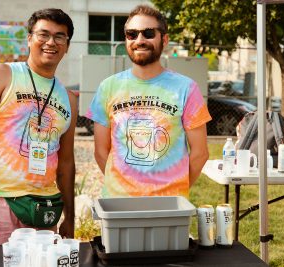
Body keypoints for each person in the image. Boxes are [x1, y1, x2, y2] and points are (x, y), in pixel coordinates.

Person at [0, 8, 77, 245]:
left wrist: (70, 216)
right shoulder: (2, 75)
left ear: (67, 45)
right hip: (0, 202)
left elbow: (66, 162)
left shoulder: (69, 98)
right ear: (29, 39)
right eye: (43, 34)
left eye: (59, 36)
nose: (50, 42)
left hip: (44, 207)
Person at [86, 5, 211, 198]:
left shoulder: (186, 88)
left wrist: (176, 189)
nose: (140, 40)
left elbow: (200, 153)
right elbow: (101, 151)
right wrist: (122, 188)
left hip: (168, 205)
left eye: (149, 33)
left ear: (165, 39)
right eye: (132, 34)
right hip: (118, 205)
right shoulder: (108, 87)